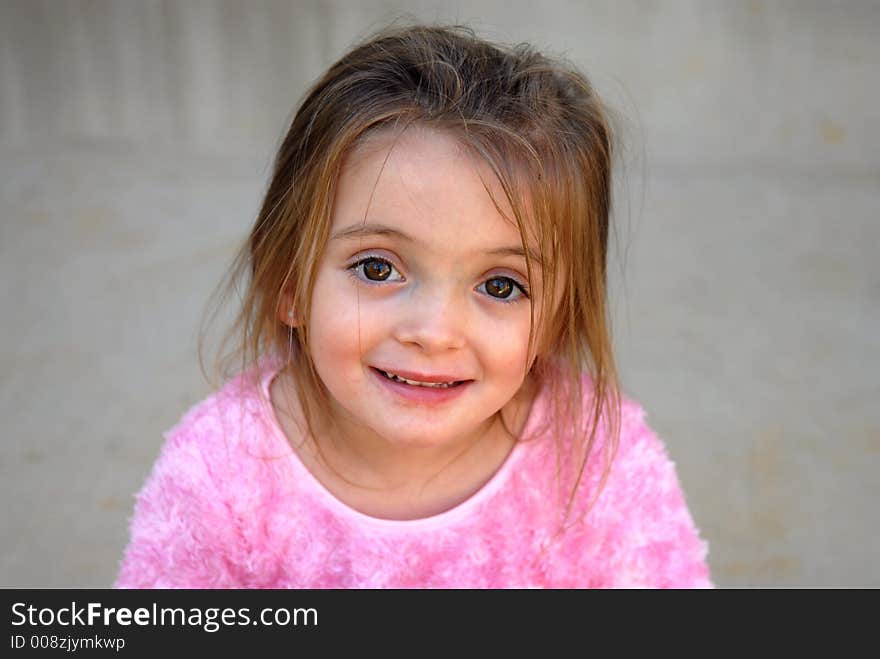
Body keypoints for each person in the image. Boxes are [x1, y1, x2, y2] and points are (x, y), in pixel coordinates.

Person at [115, 24, 712, 588]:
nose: (435, 332)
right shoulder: (220, 477)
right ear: (289, 284)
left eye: (501, 286)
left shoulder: (598, 462)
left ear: (554, 320)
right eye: (378, 268)